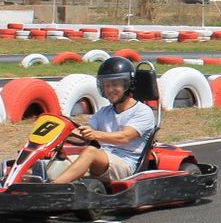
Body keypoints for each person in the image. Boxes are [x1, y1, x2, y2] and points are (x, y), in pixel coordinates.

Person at [49, 56, 158, 184]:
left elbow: (124, 137)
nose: (109, 90)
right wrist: (60, 136)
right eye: (106, 85)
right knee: (56, 160)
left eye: (115, 85)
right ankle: (32, 183)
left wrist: (95, 135)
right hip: (103, 160)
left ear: (129, 85)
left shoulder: (143, 111)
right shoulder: (103, 112)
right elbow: (86, 131)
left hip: (127, 166)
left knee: (90, 152)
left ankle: (54, 187)